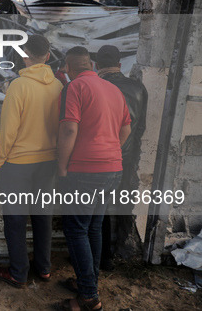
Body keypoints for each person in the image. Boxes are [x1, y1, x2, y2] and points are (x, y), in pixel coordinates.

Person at [55, 46, 131, 311]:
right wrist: (110, 153)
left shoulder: (74, 88)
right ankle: (88, 282)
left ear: (68, 67)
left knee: (76, 230)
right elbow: (126, 128)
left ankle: (88, 297)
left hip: (85, 171)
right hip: (113, 169)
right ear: (92, 64)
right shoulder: (114, 89)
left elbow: (68, 130)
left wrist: (62, 167)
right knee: (94, 228)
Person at [0, 35, 63, 289]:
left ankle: (18, 272)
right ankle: (43, 269)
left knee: (15, 219)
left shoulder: (19, 86)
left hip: (18, 164)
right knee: (43, 216)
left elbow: (8, 131)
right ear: (47, 56)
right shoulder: (58, 86)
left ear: (24, 55)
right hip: (48, 162)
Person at [95, 45, 148, 271]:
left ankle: (102, 257)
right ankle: (117, 251)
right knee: (117, 207)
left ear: (97, 66)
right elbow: (140, 127)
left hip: (99, 157)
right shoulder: (138, 88)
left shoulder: (96, 87)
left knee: (99, 211)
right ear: (119, 65)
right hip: (126, 157)